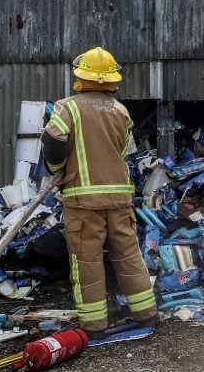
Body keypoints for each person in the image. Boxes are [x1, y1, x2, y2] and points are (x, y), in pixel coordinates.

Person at [41, 46, 158, 338]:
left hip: (83, 198)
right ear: (112, 79)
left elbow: (53, 139)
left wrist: (56, 167)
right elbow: (121, 150)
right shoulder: (121, 111)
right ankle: (146, 314)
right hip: (120, 197)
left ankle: (94, 325)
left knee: (87, 260)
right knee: (129, 255)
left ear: (81, 76)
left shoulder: (69, 107)